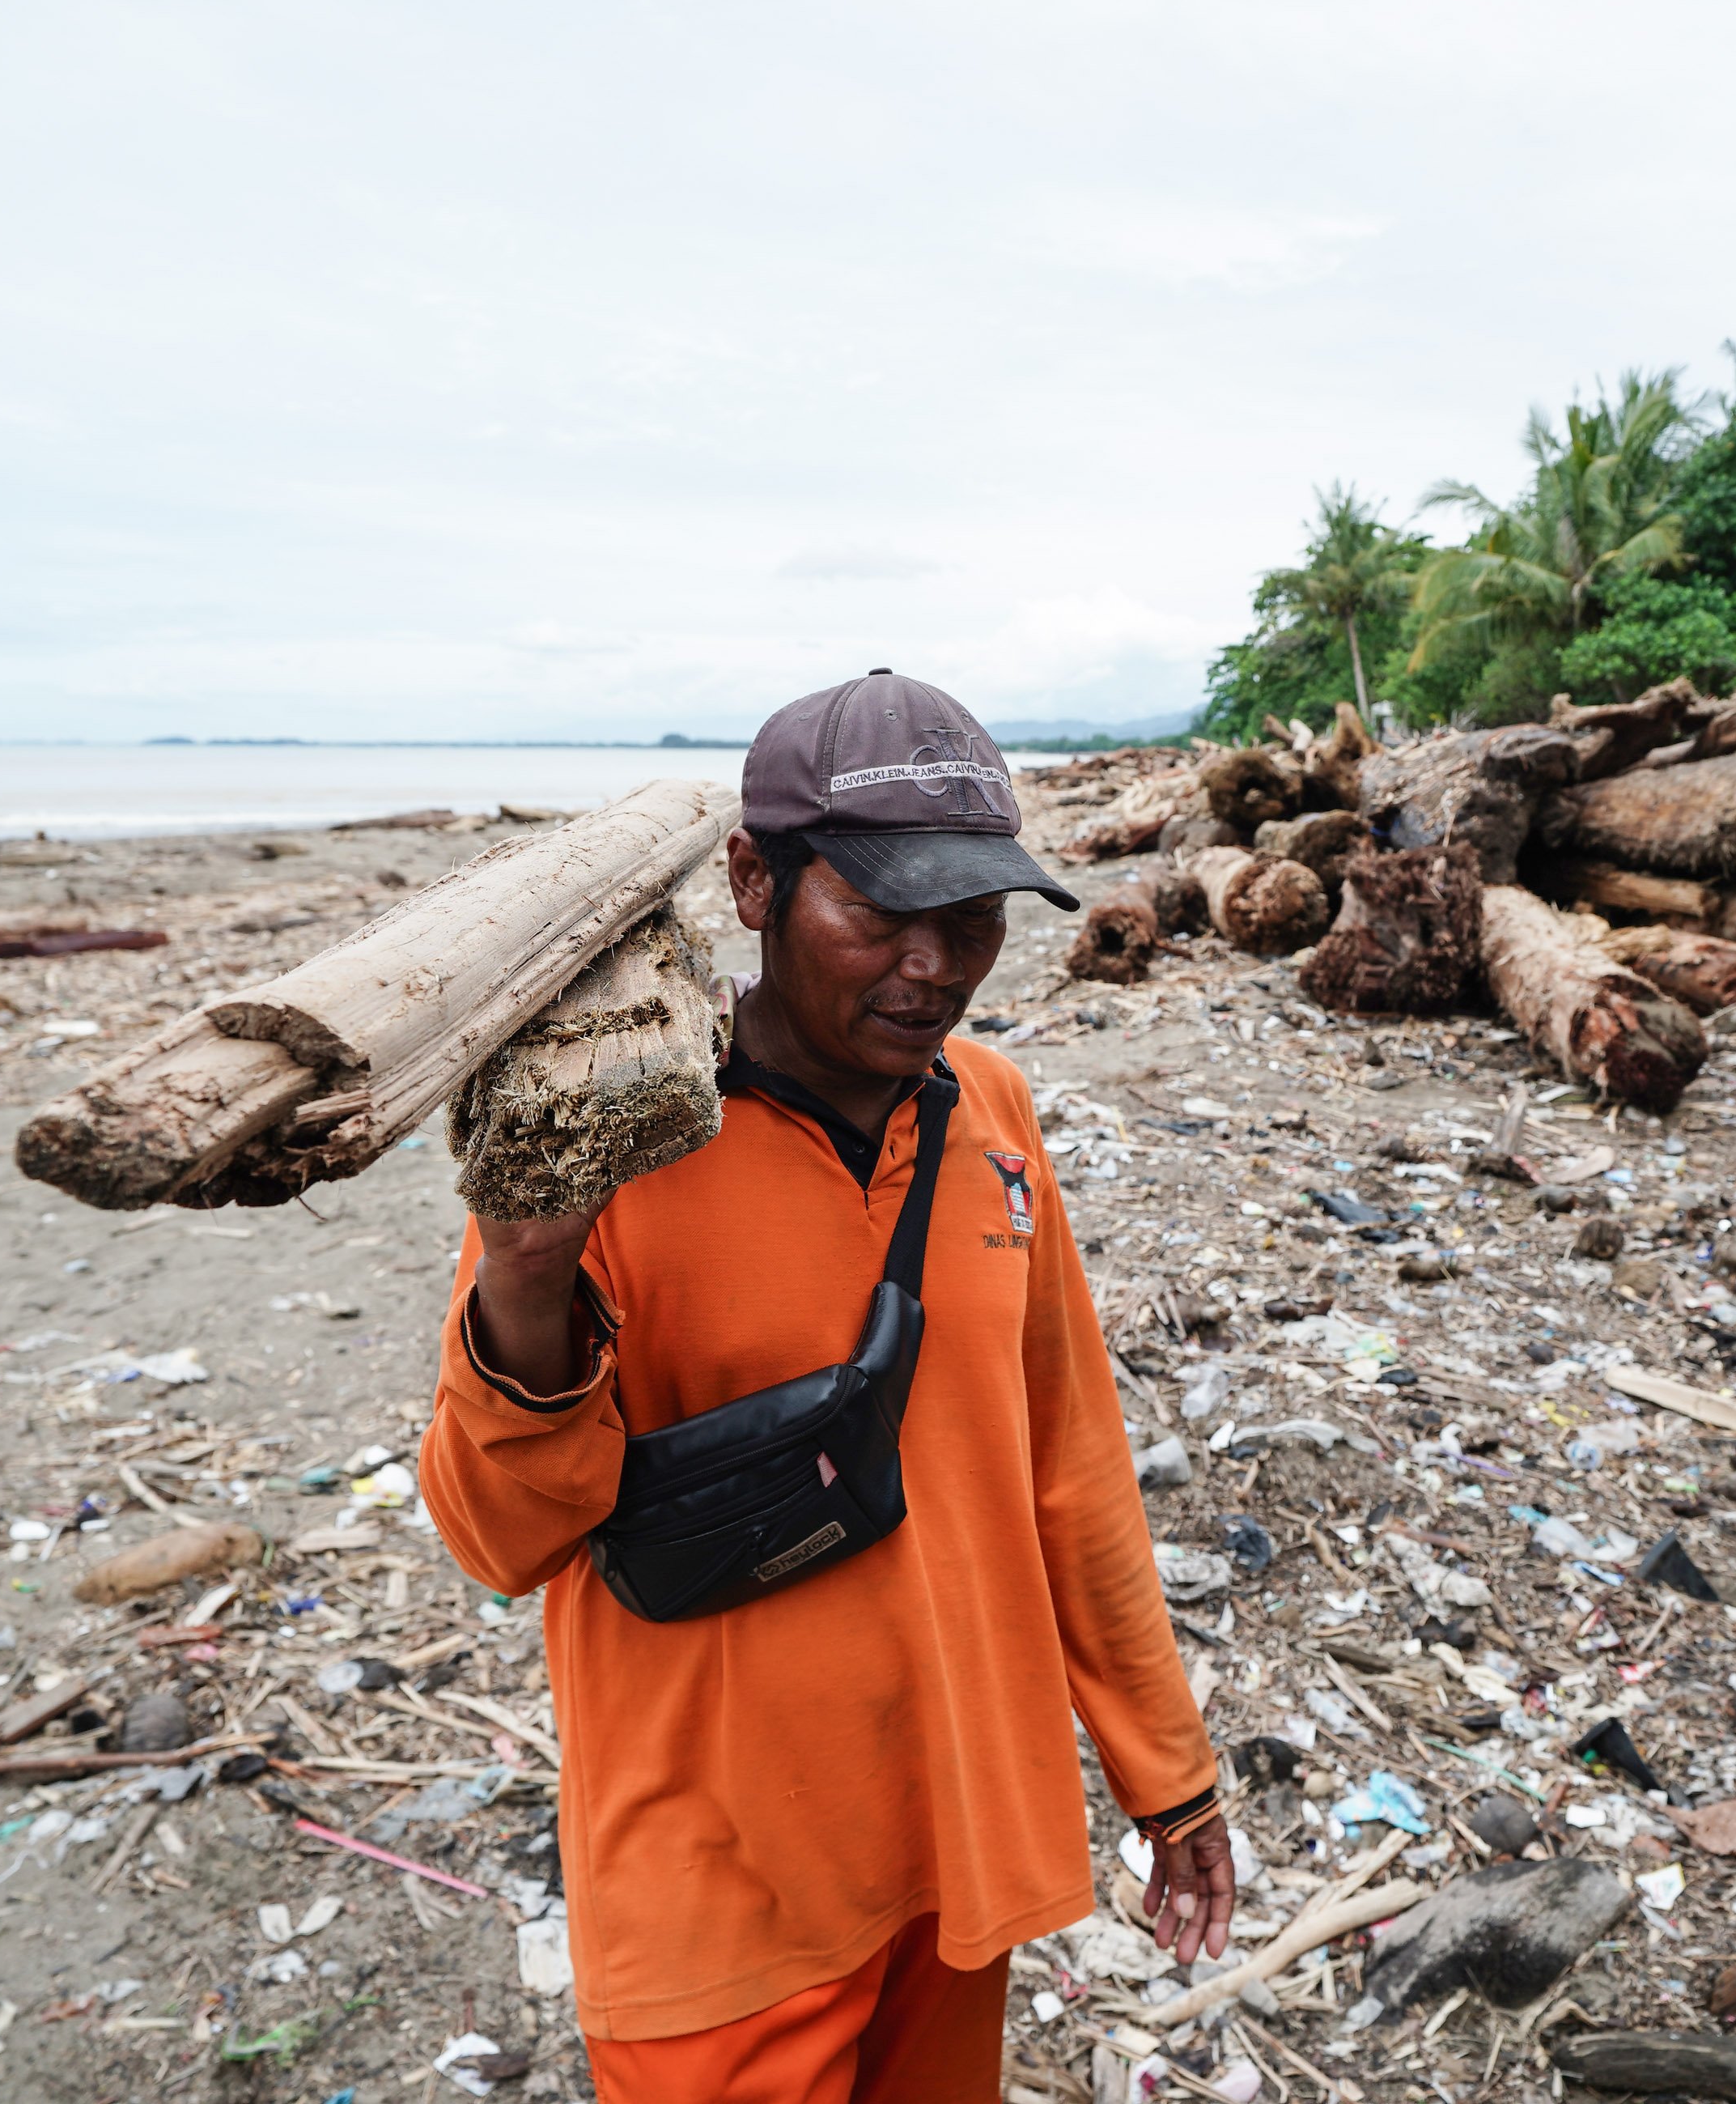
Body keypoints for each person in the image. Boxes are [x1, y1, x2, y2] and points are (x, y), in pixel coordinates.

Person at [420, 670, 1231, 2102]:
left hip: (952, 1836)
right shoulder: (612, 1129)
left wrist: (1167, 1771)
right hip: (716, 1877)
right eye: (877, 914)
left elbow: (1071, 1463)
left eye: (969, 920)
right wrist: (524, 1276)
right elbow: (503, 1540)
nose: (931, 966)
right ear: (752, 881)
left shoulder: (989, 1111)